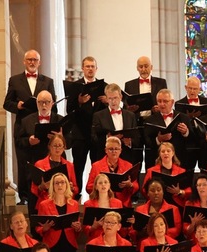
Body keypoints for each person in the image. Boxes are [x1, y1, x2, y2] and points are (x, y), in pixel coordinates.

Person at [3, 49, 56, 204]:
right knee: (24, 162)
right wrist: (17, 105)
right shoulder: (14, 80)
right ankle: (24, 196)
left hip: (43, 124)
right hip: (23, 126)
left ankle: (48, 194)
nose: (32, 62)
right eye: (29, 59)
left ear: (39, 62)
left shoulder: (48, 81)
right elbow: (7, 103)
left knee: (45, 160)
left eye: (35, 60)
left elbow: (54, 103)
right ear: (24, 62)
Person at [18, 90, 65, 213]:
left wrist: (61, 137)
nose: (44, 105)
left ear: (52, 103)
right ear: (37, 103)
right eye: (41, 102)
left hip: (56, 164)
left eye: (47, 102)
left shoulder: (61, 120)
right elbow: (19, 141)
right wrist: (29, 140)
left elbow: (69, 143)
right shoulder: (26, 121)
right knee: (34, 203)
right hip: (35, 163)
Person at [66, 56, 109, 189]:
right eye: (87, 66)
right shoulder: (75, 87)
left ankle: (97, 192)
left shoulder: (105, 87)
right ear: (83, 68)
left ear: (96, 69)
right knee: (78, 165)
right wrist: (79, 102)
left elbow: (111, 111)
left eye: (92, 66)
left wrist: (108, 102)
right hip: (80, 133)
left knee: (97, 166)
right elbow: (69, 110)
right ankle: (76, 193)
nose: (90, 69)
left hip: (98, 134)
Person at [35, 173, 82, 252]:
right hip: (52, 245)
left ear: (67, 185)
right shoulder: (44, 205)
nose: (60, 185)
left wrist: (77, 227)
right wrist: (44, 228)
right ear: (52, 186)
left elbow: (78, 229)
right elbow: (38, 227)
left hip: (69, 244)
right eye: (57, 183)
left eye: (62, 182)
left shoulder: (74, 204)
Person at [124, 56, 168, 169]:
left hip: (153, 125)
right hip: (137, 124)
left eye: (146, 66)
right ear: (137, 68)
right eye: (141, 66)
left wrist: (159, 108)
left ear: (151, 67)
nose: (143, 69)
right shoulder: (129, 85)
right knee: (135, 159)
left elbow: (166, 102)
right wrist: (130, 109)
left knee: (153, 158)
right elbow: (125, 107)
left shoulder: (161, 82)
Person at [144, 89, 198, 171]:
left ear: (172, 102)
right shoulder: (150, 120)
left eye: (165, 101)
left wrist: (185, 132)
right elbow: (147, 142)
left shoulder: (183, 117)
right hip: (158, 162)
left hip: (181, 160)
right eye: (159, 101)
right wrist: (158, 139)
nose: (162, 104)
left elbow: (193, 140)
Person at [30, 134, 78, 213]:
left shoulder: (69, 165)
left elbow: (76, 188)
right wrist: (42, 186)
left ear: (64, 148)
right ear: (49, 146)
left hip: (64, 203)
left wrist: (71, 187)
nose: (57, 148)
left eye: (60, 146)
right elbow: (33, 189)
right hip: (46, 203)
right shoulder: (40, 164)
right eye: (54, 146)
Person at [85, 136, 139, 207]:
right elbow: (89, 187)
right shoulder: (96, 166)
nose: (114, 151)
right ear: (105, 150)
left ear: (120, 150)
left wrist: (130, 185)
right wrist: (101, 186)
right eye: (111, 149)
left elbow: (136, 186)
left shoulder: (128, 165)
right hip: (102, 202)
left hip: (123, 203)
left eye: (116, 149)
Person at [91, 83, 138, 164]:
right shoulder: (98, 115)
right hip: (105, 159)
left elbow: (137, 138)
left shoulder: (130, 115)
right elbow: (93, 138)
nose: (113, 101)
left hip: (126, 158)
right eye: (110, 98)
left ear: (121, 97)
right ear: (106, 99)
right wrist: (108, 138)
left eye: (115, 98)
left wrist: (130, 142)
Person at [143, 141, 191, 207]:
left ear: (173, 153)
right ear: (159, 154)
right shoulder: (151, 171)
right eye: (163, 151)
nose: (166, 153)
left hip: (176, 202)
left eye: (168, 151)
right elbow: (144, 189)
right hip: (156, 203)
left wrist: (179, 191)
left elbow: (188, 190)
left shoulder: (181, 171)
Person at [83, 173, 125, 241]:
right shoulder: (88, 204)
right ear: (96, 187)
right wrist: (94, 227)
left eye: (105, 182)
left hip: (113, 239)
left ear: (109, 185)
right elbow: (85, 227)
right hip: (95, 238)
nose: (103, 185)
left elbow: (121, 224)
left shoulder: (118, 203)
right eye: (100, 183)